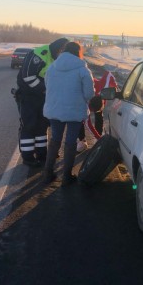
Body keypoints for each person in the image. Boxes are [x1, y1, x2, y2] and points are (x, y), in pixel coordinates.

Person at [43, 41, 95, 185]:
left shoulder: (52, 68)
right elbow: (89, 93)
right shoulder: (83, 70)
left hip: (55, 109)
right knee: (70, 142)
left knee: (55, 140)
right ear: (78, 52)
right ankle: (67, 176)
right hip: (74, 111)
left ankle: (47, 173)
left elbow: (47, 86)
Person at [17, 38, 69, 167]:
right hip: (28, 95)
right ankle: (28, 157)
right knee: (29, 126)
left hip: (43, 97)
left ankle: (42, 155)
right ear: (59, 48)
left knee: (42, 126)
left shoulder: (57, 58)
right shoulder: (40, 54)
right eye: (63, 51)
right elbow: (28, 77)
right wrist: (46, 90)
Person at [76, 69, 118, 150]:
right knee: (81, 120)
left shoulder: (103, 87)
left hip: (97, 95)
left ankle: (97, 138)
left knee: (99, 116)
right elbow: (89, 125)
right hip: (84, 95)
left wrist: (115, 87)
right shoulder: (83, 103)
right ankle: (82, 140)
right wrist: (99, 138)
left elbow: (108, 74)